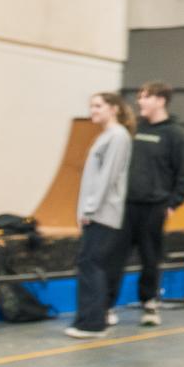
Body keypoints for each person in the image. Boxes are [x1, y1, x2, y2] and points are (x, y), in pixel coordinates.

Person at [120, 80, 184, 327]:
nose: (139, 101)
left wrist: (173, 203)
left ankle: (149, 304)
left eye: (145, 96)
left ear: (160, 100)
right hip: (127, 205)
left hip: (155, 207)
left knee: (150, 258)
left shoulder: (175, 135)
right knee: (115, 256)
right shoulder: (133, 129)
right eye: (139, 96)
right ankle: (107, 305)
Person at [66, 91, 134, 339]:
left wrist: (90, 209)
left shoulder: (118, 136)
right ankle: (89, 318)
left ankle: (92, 323)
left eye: (98, 106)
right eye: (91, 106)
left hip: (103, 213)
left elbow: (108, 176)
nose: (93, 111)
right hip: (96, 212)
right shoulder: (107, 136)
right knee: (89, 264)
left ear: (114, 108)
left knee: (91, 264)